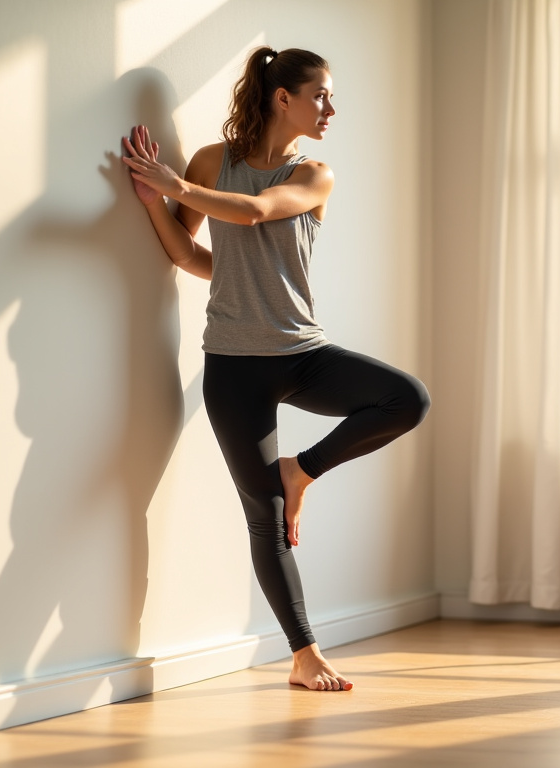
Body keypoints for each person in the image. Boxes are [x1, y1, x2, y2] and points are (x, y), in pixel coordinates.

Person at [121, 46, 429, 692]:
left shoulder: (314, 174)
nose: (330, 108)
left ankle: (302, 469)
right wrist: (156, 200)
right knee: (265, 517)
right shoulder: (212, 163)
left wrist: (176, 185)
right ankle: (304, 654)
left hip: (302, 354)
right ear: (281, 97)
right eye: (320, 94)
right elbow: (192, 256)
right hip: (233, 366)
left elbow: (258, 212)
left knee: (406, 399)